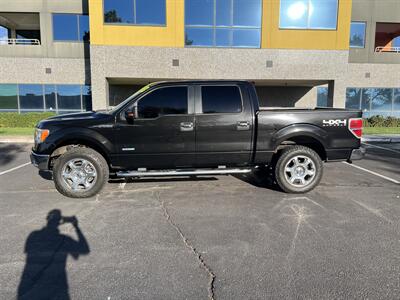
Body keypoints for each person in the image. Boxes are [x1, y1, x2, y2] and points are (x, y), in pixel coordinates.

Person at [17, 209, 90, 300]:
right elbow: (85, 249)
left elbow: (29, 252)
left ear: (47, 219)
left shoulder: (33, 235)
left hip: (29, 283)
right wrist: (76, 226)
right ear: (61, 221)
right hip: (57, 285)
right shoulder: (64, 239)